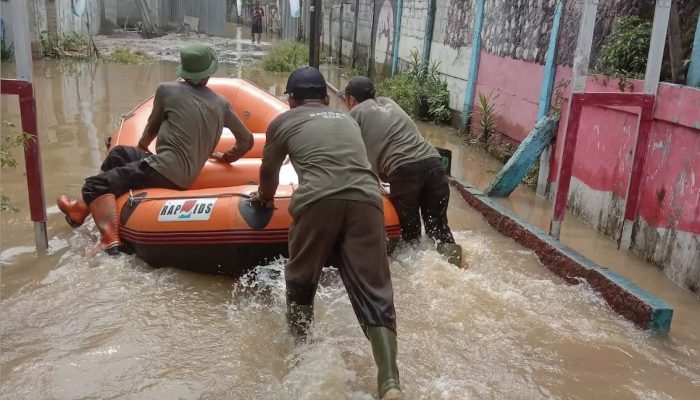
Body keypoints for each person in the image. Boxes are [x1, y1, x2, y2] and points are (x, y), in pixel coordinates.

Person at [248, 67, 403, 400]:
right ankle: (390, 383)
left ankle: (303, 359)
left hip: (317, 201)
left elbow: (268, 172)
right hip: (367, 201)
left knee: (301, 282)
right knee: (376, 293)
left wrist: (263, 198)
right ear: (326, 97)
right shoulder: (346, 120)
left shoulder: (282, 122)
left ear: (290, 100)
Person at [57, 43, 254, 254]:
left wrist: (142, 147)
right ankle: (79, 210)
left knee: (94, 185)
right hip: (185, 173)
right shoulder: (222, 103)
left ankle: (109, 241)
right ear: (208, 74)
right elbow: (247, 141)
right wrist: (226, 157)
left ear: (184, 70)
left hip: (165, 170)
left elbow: (152, 126)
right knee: (119, 154)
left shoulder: (167, 90)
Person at [341, 76, 463, 267]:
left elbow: (356, 159)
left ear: (350, 99)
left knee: (410, 235)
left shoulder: (355, 114)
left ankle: (414, 277)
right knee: (438, 228)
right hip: (434, 164)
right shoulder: (390, 103)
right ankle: (456, 270)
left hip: (405, 172)